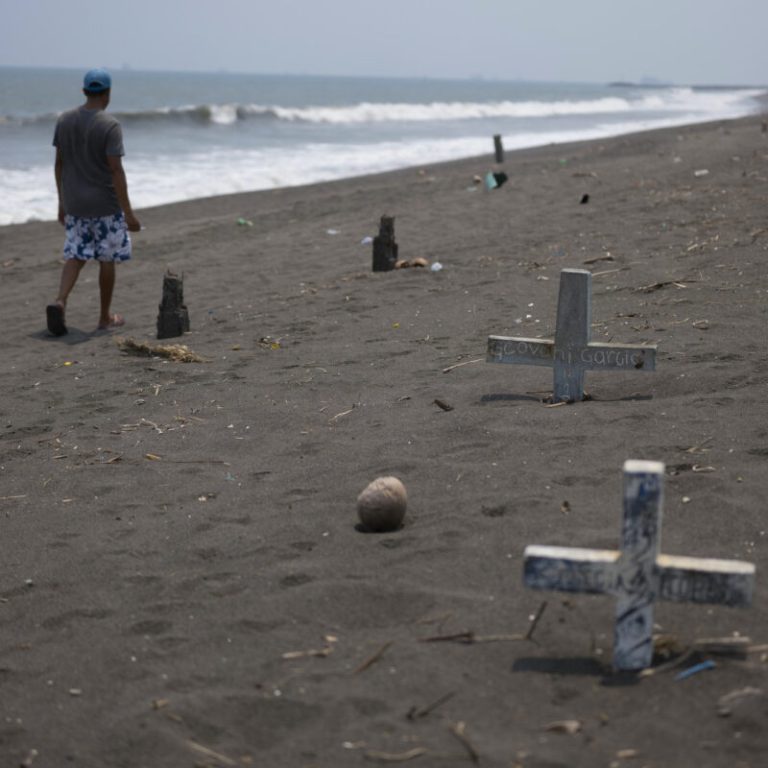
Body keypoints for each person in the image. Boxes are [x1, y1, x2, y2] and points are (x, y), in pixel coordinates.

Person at [46, 68, 141, 336]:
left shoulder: (64, 121)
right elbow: (115, 170)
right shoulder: (109, 125)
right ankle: (104, 318)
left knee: (75, 255)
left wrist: (62, 202)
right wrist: (129, 213)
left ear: (84, 91)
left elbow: (59, 164)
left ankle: (60, 300)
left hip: (75, 203)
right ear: (108, 93)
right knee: (106, 259)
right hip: (105, 206)